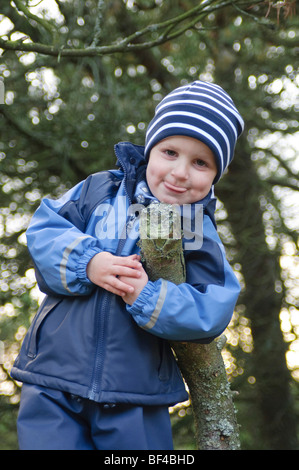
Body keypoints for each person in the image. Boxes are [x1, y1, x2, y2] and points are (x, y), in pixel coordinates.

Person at [11, 80, 244, 450]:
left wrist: (147, 297)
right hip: (53, 375)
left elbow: (212, 305)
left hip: (136, 391)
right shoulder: (99, 190)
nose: (181, 172)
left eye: (200, 162)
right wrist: (88, 262)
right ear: (151, 149)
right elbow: (44, 228)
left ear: (218, 174)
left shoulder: (197, 229)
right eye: (170, 152)